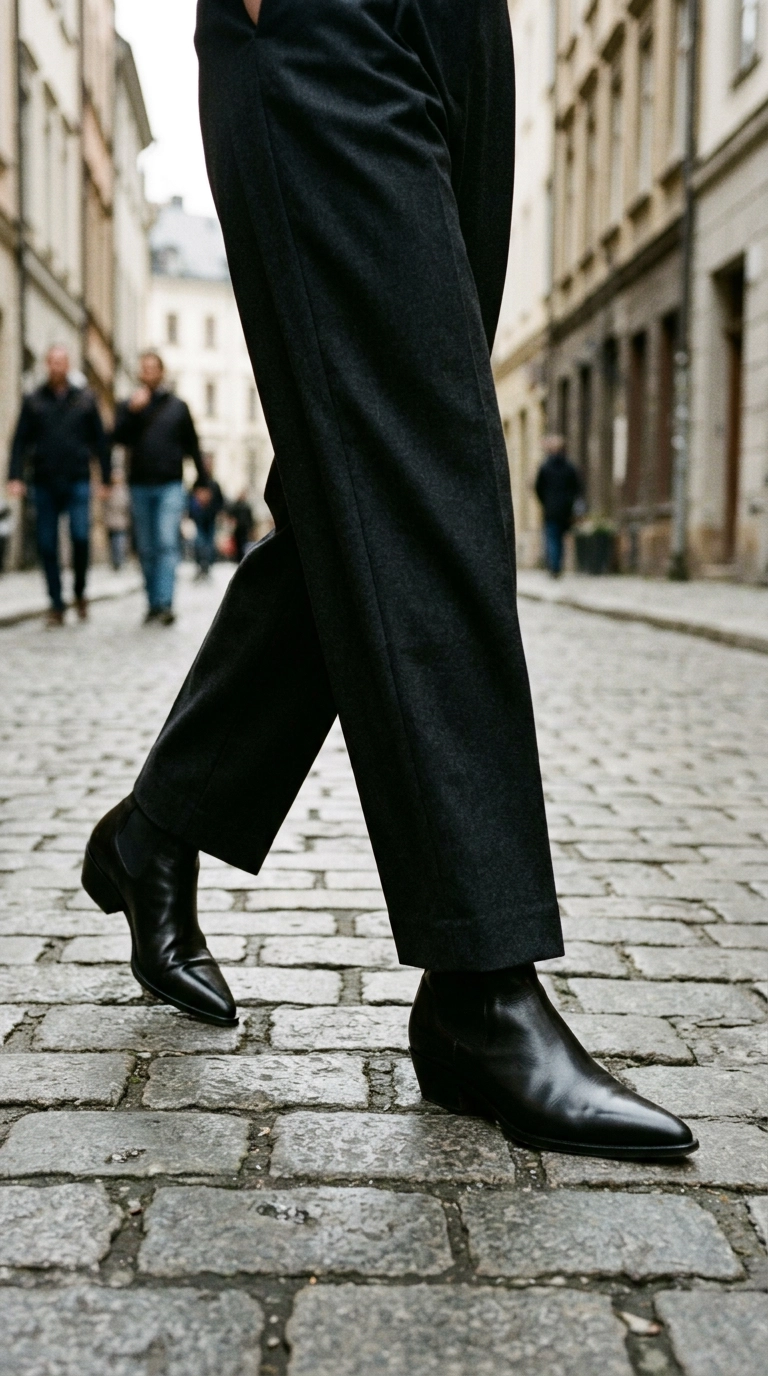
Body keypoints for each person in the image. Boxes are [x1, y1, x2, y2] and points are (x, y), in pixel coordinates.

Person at [81, 0, 696, 1163]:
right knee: (424, 457)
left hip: (466, 25)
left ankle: (158, 823)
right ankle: (480, 986)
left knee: (363, 478)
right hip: (322, 22)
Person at [7, 345, 110, 625]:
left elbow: (100, 442)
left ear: (69, 364)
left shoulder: (86, 399)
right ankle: (56, 603)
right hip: (44, 481)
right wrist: (14, 476)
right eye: (52, 361)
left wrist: (106, 478)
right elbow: (19, 441)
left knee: (80, 538)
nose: (57, 366)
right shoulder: (34, 400)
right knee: (47, 544)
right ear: (46, 364)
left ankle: (79, 592)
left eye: (62, 361)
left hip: (77, 479)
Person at [112, 351, 205, 624]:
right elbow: (117, 437)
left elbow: (193, 444)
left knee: (166, 541)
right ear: (140, 373)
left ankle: (165, 603)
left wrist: (202, 481)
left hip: (170, 484)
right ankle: (152, 602)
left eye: (154, 368)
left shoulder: (178, 407)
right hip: (139, 484)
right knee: (146, 546)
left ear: (161, 372)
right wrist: (132, 412)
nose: (149, 372)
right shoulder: (128, 405)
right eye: (145, 368)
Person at [535, 436, 583, 577]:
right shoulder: (570, 467)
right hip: (565, 509)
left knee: (552, 538)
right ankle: (557, 565)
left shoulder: (545, 467)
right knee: (560, 539)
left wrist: (545, 501)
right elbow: (576, 487)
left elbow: (538, 487)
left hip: (551, 509)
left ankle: (554, 567)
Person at [188, 463, 224, 578]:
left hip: (210, 519)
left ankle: (206, 567)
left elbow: (220, 502)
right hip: (199, 519)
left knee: (208, 544)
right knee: (199, 543)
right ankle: (201, 566)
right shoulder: (197, 484)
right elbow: (191, 501)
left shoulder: (214, 484)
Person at [103, 461, 132, 571]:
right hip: (111, 522)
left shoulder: (125, 490)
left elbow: (126, 506)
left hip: (121, 522)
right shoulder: (109, 490)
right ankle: (115, 561)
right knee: (113, 544)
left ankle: (120, 561)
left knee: (120, 543)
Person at [227, 490, 254, 563]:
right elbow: (231, 516)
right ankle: (238, 559)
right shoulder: (235, 506)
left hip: (244, 528)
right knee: (238, 545)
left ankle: (242, 558)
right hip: (238, 529)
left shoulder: (246, 507)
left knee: (244, 545)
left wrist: (251, 529)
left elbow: (250, 519)